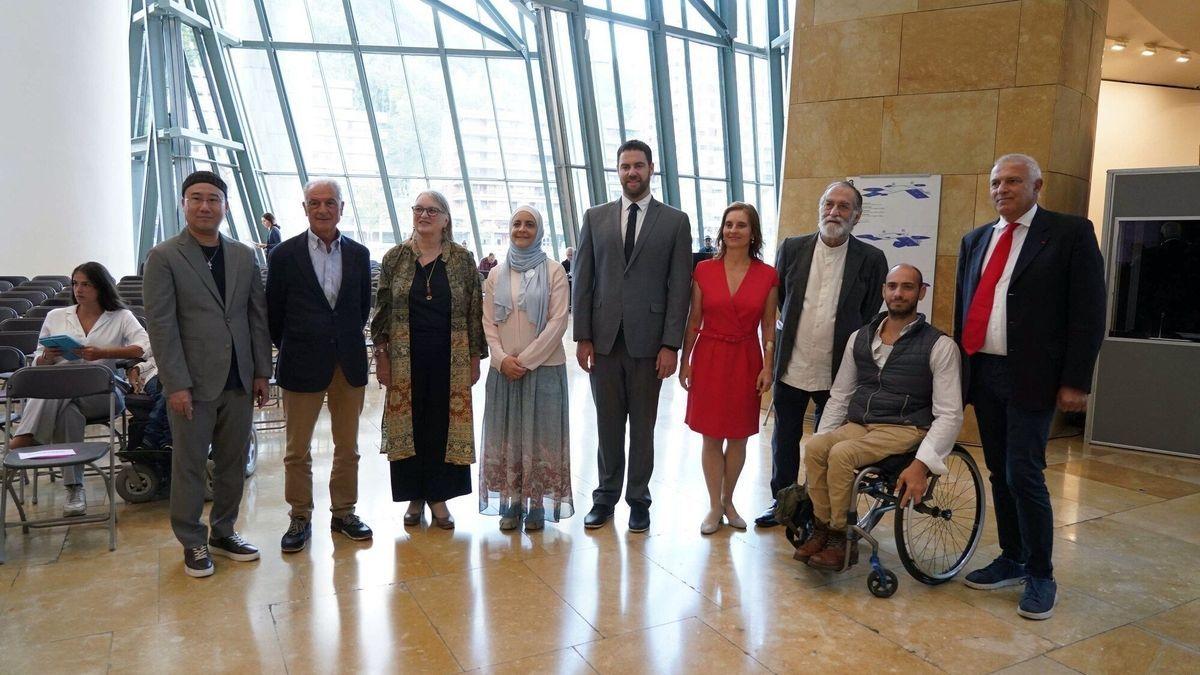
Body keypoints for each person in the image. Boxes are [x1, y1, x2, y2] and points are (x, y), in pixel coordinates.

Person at [955, 154, 1105, 620]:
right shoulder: (975, 239)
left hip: (1034, 377)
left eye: (1014, 181)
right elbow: (965, 307)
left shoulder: (1069, 233)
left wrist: (1076, 381)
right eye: (996, 181)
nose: (1003, 189)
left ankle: (1041, 573)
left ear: (1038, 185)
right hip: (984, 373)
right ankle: (1012, 557)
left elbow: (1088, 312)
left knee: (1024, 472)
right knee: (999, 470)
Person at [144, 170, 272, 578]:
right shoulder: (164, 256)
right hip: (192, 383)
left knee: (234, 461)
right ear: (184, 204)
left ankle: (224, 531)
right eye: (196, 198)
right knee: (191, 464)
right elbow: (162, 326)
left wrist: (262, 373)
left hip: (238, 377)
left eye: (213, 199)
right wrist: (175, 383)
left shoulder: (242, 255)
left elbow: (256, 316)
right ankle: (192, 540)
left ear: (225, 206)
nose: (205, 206)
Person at [796, 264, 963, 570]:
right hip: (861, 423)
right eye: (892, 286)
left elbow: (950, 414)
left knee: (843, 454)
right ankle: (822, 528)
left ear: (921, 292)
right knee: (817, 447)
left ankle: (841, 538)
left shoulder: (939, 346)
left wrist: (921, 463)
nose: (898, 293)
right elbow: (841, 395)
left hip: (905, 426)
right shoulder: (860, 337)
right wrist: (824, 433)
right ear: (884, 291)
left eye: (907, 287)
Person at [573, 139, 692, 533]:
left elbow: (680, 287)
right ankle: (604, 498)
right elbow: (584, 281)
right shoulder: (595, 217)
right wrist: (583, 336)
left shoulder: (675, 221)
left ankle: (638, 500)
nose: (631, 173)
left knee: (643, 427)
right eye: (625, 166)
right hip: (604, 343)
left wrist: (670, 344)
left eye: (638, 166)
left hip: (649, 344)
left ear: (651, 169)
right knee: (607, 425)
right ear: (617, 171)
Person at [756, 181, 888, 527]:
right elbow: (782, 299)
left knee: (831, 443)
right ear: (820, 209)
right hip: (793, 363)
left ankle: (824, 510)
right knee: (784, 436)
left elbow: (870, 311)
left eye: (844, 207)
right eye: (829, 204)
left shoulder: (871, 259)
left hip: (839, 372)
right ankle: (781, 502)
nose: (834, 212)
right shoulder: (792, 248)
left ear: (856, 217)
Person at [266, 179, 373, 552]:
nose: (323, 209)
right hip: (301, 363)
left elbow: (361, 309)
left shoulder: (359, 254)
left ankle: (344, 512)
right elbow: (274, 315)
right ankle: (300, 515)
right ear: (305, 207)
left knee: (348, 447)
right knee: (298, 450)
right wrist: (300, 343)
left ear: (342, 208)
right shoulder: (282, 256)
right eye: (315, 203)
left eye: (330, 203)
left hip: (348, 363)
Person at [371, 191, 486, 530]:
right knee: (409, 427)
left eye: (432, 210)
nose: (424, 215)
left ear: (446, 219)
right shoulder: (395, 258)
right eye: (419, 209)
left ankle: (438, 498)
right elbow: (381, 311)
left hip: (450, 360)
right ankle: (413, 497)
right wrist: (381, 355)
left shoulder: (462, 259)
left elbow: (474, 311)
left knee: (442, 427)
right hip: (405, 359)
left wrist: (476, 358)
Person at [8, 262, 152, 516]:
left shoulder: (120, 316)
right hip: (63, 391)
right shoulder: (56, 316)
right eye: (75, 283)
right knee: (68, 410)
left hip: (102, 393)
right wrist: (48, 357)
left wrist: (102, 353)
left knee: (60, 391)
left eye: (86, 284)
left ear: (101, 287)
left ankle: (25, 437)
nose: (79, 289)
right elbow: (37, 361)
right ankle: (74, 488)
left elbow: (143, 347)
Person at [679, 203, 778, 534]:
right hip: (709, 358)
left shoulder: (767, 275)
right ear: (722, 230)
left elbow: (768, 328)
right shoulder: (704, 270)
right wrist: (685, 362)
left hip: (746, 359)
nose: (734, 230)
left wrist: (768, 366)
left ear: (753, 233)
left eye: (741, 225)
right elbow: (694, 321)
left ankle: (729, 499)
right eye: (729, 224)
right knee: (711, 436)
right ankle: (713, 506)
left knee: (738, 438)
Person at [480, 205, 572, 531]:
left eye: (529, 224)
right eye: (516, 223)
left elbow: (558, 322)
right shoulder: (495, 273)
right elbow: (488, 322)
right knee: (508, 437)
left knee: (541, 438)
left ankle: (536, 505)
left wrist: (526, 360)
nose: (522, 229)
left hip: (544, 369)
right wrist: (501, 358)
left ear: (540, 230)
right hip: (504, 370)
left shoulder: (554, 271)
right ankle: (511, 502)